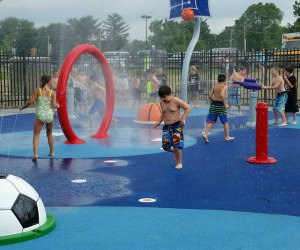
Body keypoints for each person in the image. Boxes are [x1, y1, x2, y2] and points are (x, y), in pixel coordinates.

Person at [19, 74, 60, 161]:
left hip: (40, 115)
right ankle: (52, 152)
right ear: (49, 82)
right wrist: (58, 105)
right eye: (51, 81)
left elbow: (30, 101)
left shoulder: (38, 91)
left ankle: (36, 154)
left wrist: (22, 107)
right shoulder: (52, 93)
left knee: (36, 135)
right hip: (49, 115)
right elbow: (54, 105)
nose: (52, 82)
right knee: (49, 134)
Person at [154, 85, 191, 170]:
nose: (163, 99)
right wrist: (159, 122)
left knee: (177, 145)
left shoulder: (176, 101)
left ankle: (179, 162)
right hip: (167, 126)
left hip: (177, 126)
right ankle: (176, 153)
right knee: (165, 146)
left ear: (169, 93)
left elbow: (188, 107)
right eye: (162, 98)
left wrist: (183, 118)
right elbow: (163, 112)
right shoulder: (162, 102)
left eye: (165, 97)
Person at [203, 73, 235, 143]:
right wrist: (225, 104)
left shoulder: (215, 86)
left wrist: (213, 100)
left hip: (213, 105)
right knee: (225, 122)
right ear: (225, 80)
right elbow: (222, 95)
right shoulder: (225, 86)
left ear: (218, 79)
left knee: (210, 121)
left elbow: (209, 95)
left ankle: (205, 134)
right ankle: (227, 137)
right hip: (221, 105)